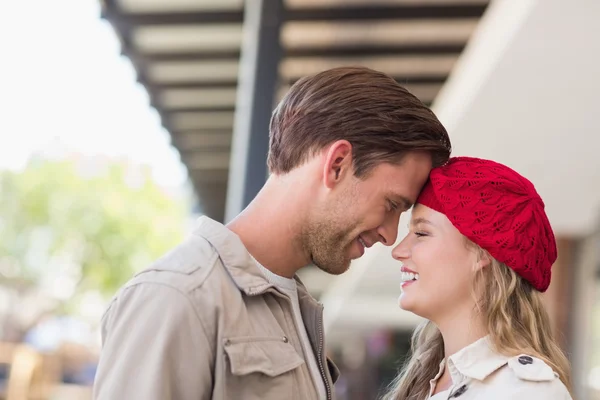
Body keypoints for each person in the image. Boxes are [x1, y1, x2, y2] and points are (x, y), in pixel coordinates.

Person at [93, 66, 451, 400]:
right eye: (391, 205)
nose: (390, 236)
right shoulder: (176, 297)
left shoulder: (292, 307)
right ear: (337, 164)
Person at [383, 157, 572, 400]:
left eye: (421, 233)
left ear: (482, 253)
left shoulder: (527, 392)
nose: (398, 250)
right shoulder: (426, 380)